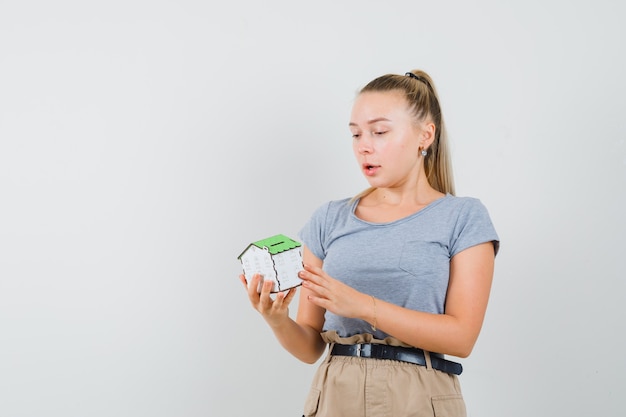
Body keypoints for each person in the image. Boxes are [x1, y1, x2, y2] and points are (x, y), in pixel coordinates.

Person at [240, 69, 499, 417]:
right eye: (355, 134)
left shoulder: (462, 217)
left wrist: (363, 305)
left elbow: (462, 337)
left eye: (379, 131)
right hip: (335, 394)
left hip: (420, 397)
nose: (364, 145)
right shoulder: (329, 219)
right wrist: (276, 319)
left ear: (426, 135)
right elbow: (310, 347)